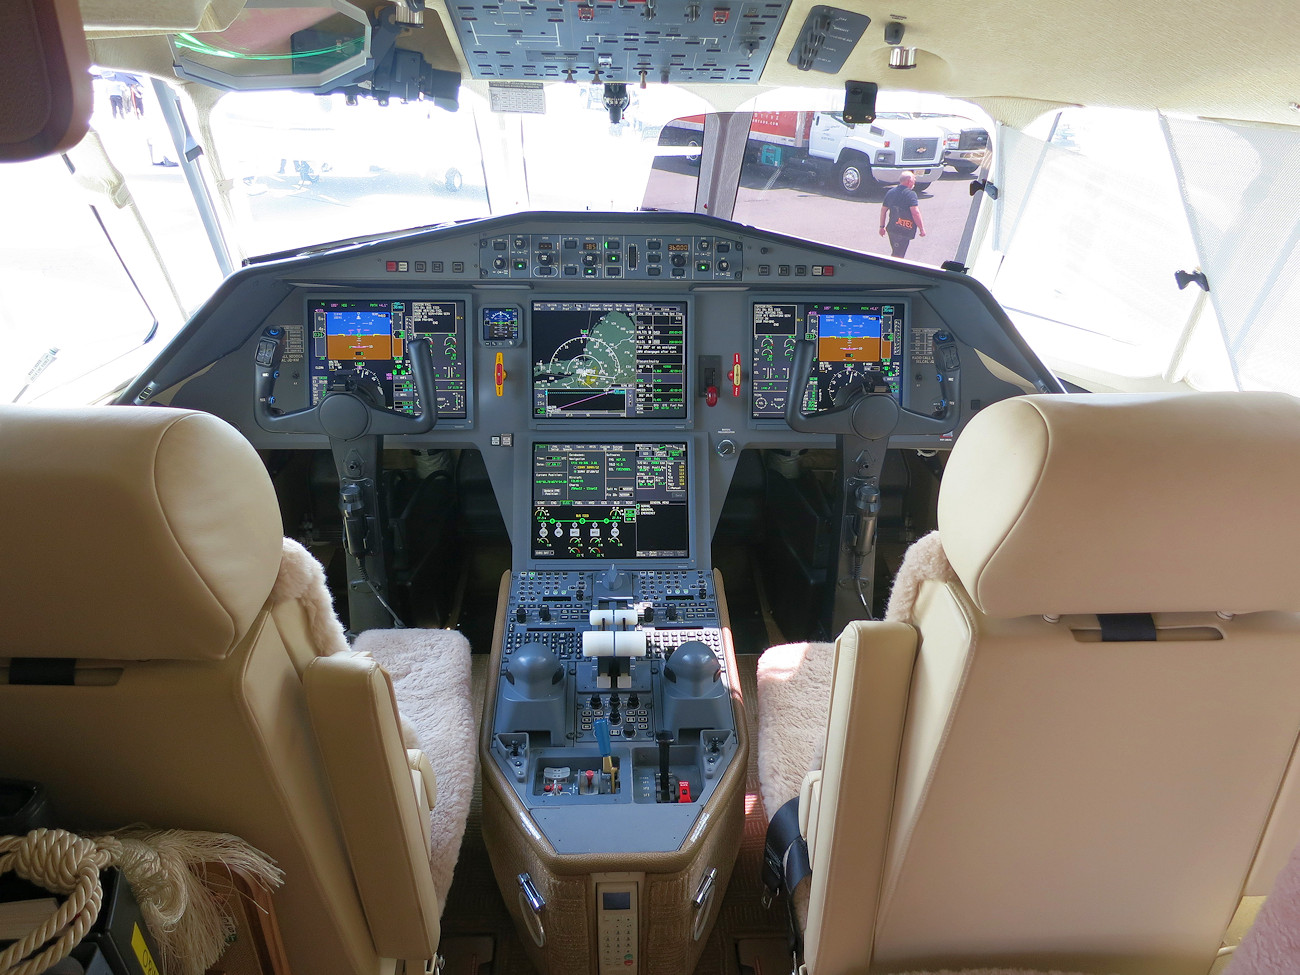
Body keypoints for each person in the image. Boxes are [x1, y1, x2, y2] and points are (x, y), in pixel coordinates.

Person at [879, 171, 926, 258]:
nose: (914, 183)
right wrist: (921, 229)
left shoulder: (890, 192)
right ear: (909, 181)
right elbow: (915, 213)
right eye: (914, 180)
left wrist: (882, 227)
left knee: (897, 253)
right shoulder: (911, 194)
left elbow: (883, 211)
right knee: (898, 256)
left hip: (892, 229)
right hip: (904, 230)